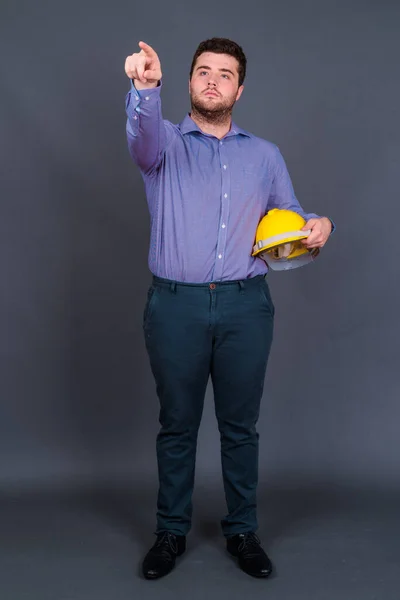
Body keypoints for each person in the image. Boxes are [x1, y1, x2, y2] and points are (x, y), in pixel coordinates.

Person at [124, 37, 334, 580]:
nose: (212, 80)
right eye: (202, 71)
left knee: (241, 427)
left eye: (225, 73)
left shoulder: (264, 155)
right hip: (176, 308)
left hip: (246, 307)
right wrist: (145, 88)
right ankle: (170, 531)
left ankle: (242, 530)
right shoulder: (163, 145)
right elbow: (140, 139)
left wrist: (317, 224)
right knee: (177, 425)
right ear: (190, 82)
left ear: (240, 88)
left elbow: (286, 218)